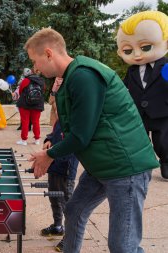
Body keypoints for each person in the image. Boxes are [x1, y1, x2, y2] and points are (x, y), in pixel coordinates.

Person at [25, 28, 159, 253]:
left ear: (48, 53)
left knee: (123, 246)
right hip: (102, 165)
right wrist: (52, 143)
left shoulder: (83, 75)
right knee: (75, 211)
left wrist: (49, 155)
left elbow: (81, 135)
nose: (35, 68)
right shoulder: (70, 77)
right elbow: (71, 124)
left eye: (35, 61)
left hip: (125, 168)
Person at [116, 11, 168, 179]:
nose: (137, 54)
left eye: (145, 47)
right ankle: (140, 165)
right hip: (138, 113)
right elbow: (124, 87)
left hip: (163, 111)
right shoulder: (132, 71)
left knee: (164, 142)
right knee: (138, 141)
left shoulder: (165, 67)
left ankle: (166, 163)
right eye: (128, 50)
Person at [40, 91, 78, 252]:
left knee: (67, 204)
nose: (54, 107)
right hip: (53, 165)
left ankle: (69, 238)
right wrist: (48, 139)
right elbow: (54, 134)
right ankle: (57, 226)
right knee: (54, 197)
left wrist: (51, 155)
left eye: (55, 103)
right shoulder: (60, 119)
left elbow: (73, 143)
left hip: (65, 167)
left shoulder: (73, 119)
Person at [16, 68, 44, 146]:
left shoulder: (25, 81)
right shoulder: (41, 81)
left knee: (25, 122)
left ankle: (24, 140)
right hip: (37, 104)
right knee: (36, 122)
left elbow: (20, 91)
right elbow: (42, 91)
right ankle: (37, 139)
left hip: (25, 104)